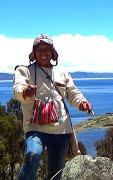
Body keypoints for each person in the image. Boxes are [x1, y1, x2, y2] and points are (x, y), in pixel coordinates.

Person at [14, 34, 93, 180]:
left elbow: (72, 93)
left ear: (53, 53)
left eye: (47, 49)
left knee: (56, 173)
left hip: (60, 129)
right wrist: (25, 91)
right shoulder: (24, 71)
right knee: (33, 154)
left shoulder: (62, 72)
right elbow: (18, 88)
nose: (43, 52)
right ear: (34, 53)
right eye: (39, 49)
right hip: (35, 128)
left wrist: (82, 103)